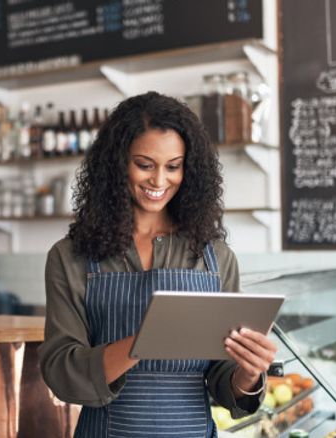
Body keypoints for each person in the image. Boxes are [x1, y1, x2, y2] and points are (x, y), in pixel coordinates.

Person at [38, 92, 277, 437]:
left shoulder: (214, 256)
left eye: (173, 166)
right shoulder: (70, 256)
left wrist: (249, 373)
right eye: (145, 164)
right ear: (117, 163)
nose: (159, 181)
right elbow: (62, 372)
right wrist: (145, 341)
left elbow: (223, 382)